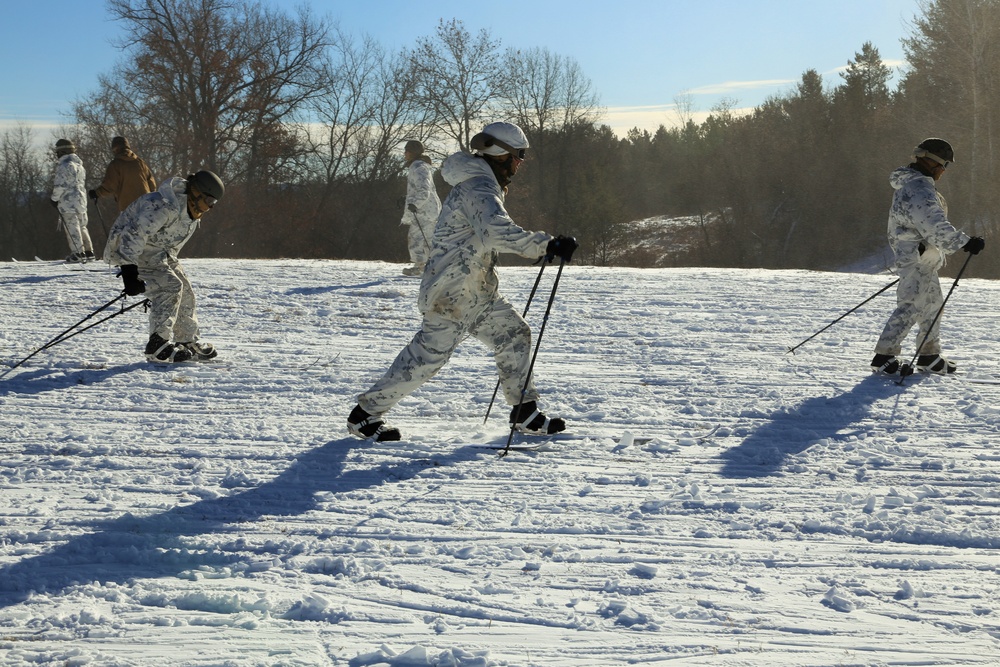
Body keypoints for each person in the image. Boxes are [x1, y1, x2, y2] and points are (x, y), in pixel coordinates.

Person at [347, 122, 578, 442]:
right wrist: (546, 245)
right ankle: (364, 416)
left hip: (474, 290)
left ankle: (525, 413)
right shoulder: (478, 188)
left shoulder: (480, 183)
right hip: (451, 293)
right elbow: (495, 231)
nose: (521, 163)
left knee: (514, 332)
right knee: (427, 359)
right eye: (519, 155)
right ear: (502, 153)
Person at [871, 138, 985, 376]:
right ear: (933, 163)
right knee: (911, 304)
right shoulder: (919, 189)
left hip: (922, 255)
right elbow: (933, 225)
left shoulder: (916, 184)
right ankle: (884, 355)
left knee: (932, 304)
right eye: (945, 165)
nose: (945, 171)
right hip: (916, 255)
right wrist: (965, 242)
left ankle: (929, 355)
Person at [103, 170, 225, 363]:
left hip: (158, 252)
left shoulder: (191, 211)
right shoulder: (164, 206)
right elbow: (134, 233)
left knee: (184, 288)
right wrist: (129, 271)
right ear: (197, 192)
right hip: (135, 251)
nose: (210, 207)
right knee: (169, 287)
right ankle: (157, 345)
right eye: (210, 200)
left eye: (214, 203)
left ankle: (186, 340)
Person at [400, 139, 442, 276]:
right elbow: (419, 189)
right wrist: (407, 199)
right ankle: (431, 266)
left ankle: (419, 267)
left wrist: (414, 203)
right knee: (428, 239)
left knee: (416, 238)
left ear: (412, 152)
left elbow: (424, 190)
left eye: (406, 150)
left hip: (424, 210)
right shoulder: (419, 166)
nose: (404, 153)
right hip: (428, 209)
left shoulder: (419, 167)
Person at [50, 139, 95, 263]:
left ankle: (78, 254)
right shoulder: (80, 166)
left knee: (72, 227)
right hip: (80, 200)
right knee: (82, 226)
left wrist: (54, 199)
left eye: (58, 152)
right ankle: (88, 251)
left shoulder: (64, 166)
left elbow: (60, 185)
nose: (56, 154)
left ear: (63, 151)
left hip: (68, 202)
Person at [89, 136, 157, 213]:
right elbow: (152, 184)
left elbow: (110, 186)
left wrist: (96, 193)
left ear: (115, 149)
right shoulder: (140, 162)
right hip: (146, 205)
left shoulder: (116, 164)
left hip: (129, 208)